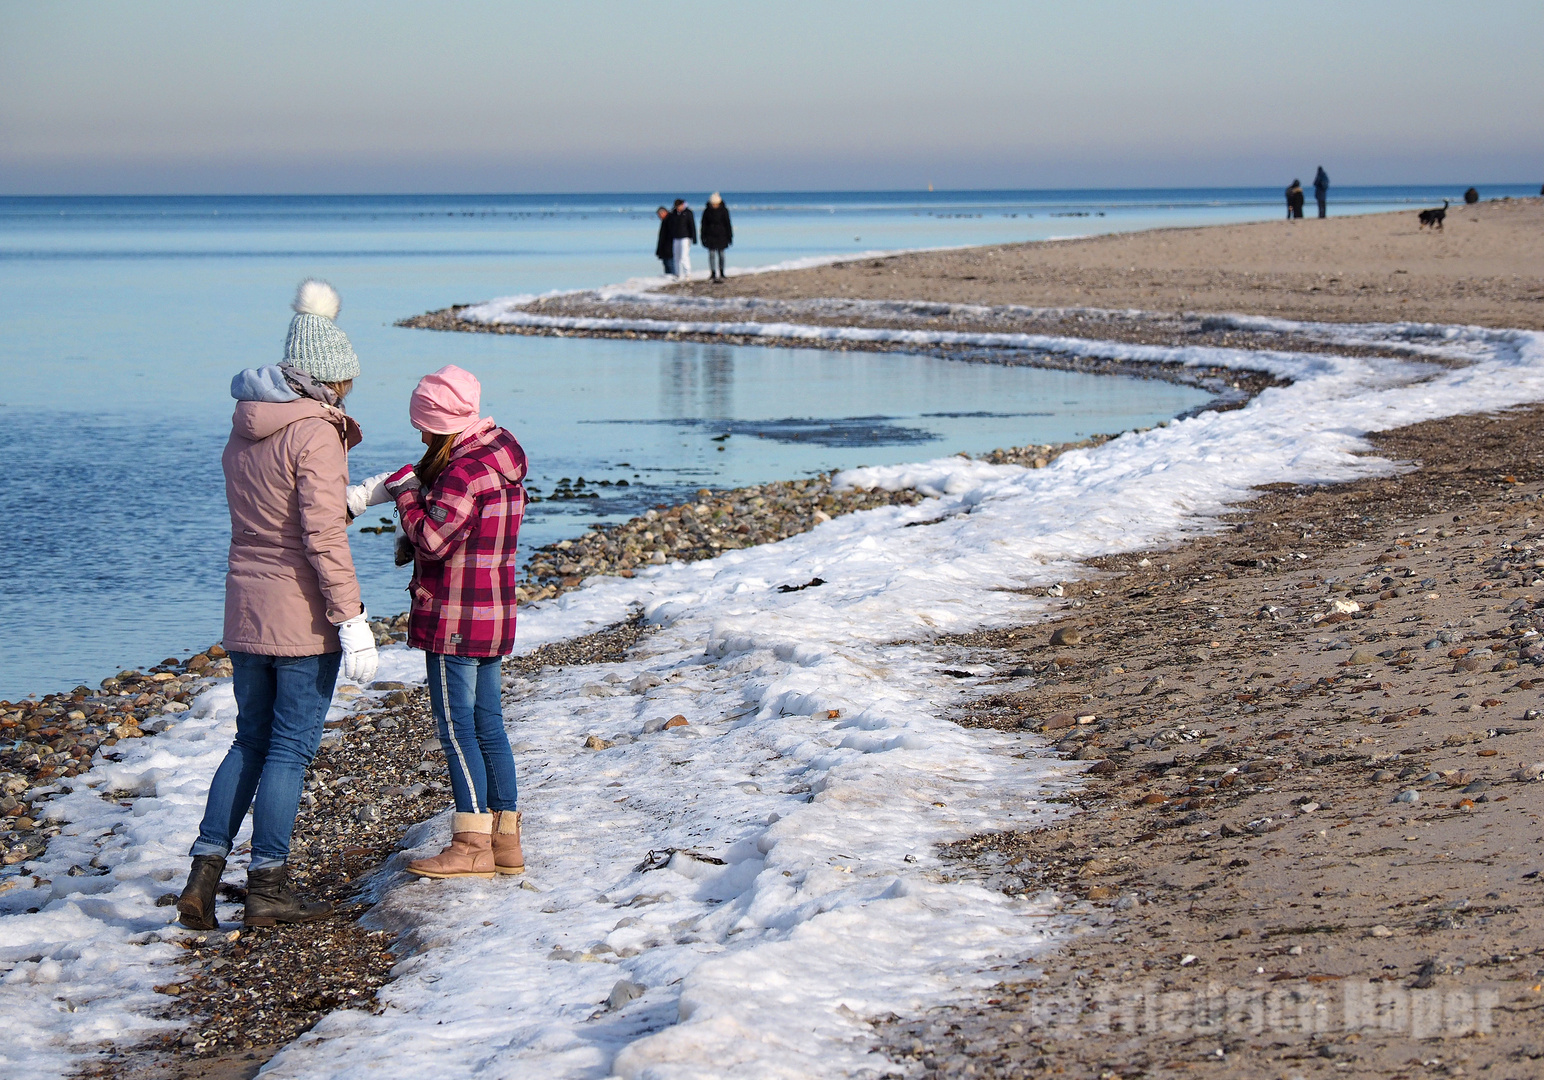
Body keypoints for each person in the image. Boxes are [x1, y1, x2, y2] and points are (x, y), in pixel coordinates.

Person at [177, 279, 378, 931]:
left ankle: (203, 878)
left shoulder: (245, 429)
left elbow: (271, 517)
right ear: (326, 377)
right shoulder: (315, 433)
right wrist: (352, 620)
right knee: (290, 749)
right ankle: (268, 886)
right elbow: (319, 536)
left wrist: (350, 498)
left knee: (249, 742)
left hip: (245, 607)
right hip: (299, 616)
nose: (348, 392)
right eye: (345, 380)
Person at [382, 366, 528, 879]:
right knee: (489, 723)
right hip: (494, 611)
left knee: (456, 726)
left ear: (444, 424)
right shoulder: (500, 455)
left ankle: (470, 843)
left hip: (454, 619)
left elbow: (434, 541)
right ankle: (504, 838)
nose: (420, 434)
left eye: (424, 425)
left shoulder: (464, 472)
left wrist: (404, 493)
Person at [700, 192, 733, 282]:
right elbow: (703, 225)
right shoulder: (706, 211)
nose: (714, 205)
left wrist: (730, 236)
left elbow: (728, 224)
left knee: (721, 255)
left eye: (716, 204)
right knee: (711, 255)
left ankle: (722, 272)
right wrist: (702, 237)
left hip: (722, 235)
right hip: (710, 235)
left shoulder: (724, 210)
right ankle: (713, 273)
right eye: (713, 204)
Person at [670, 198, 696, 279]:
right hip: (676, 237)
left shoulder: (688, 213)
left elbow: (692, 225)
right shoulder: (673, 214)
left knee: (684, 256)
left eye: (679, 206)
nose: (678, 208)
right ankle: (677, 274)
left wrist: (694, 238)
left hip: (685, 237)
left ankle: (687, 273)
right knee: (676, 257)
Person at [654, 206, 675, 275]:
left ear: (664, 213)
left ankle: (673, 277)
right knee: (666, 265)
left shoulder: (670, 220)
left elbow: (669, 235)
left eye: (659, 215)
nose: (659, 217)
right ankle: (669, 277)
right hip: (664, 248)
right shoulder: (665, 221)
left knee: (670, 264)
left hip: (669, 247)